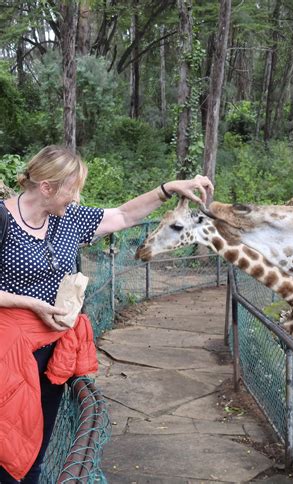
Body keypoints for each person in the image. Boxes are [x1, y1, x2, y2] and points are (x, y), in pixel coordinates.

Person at [0, 145, 214, 483]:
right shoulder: (4, 220)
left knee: (35, 448)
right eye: (73, 189)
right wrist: (30, 304)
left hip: (55, 349)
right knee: (6, 445)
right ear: (46, 187)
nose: (77, 198)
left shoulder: (68, 219)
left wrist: (167, 189)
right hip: (8, 350)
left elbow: (124, 216)